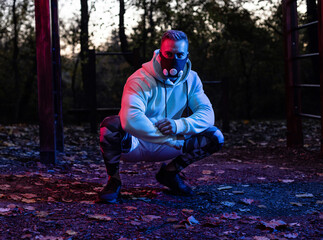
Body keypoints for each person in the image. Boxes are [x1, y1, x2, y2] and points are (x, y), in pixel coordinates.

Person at [98, 30, 224, 203]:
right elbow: (131, 119)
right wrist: (169, 140)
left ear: (187, 55)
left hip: (170, 141)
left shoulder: (192, 79)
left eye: (180, 54)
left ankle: (170, 174)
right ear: (160, 53)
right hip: (134, 144)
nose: (174, 59)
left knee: (215, 136)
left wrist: (179, 125)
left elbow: (207, 114)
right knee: (110, 125)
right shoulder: (139, 79)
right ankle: (114, 181)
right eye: (169, 54)